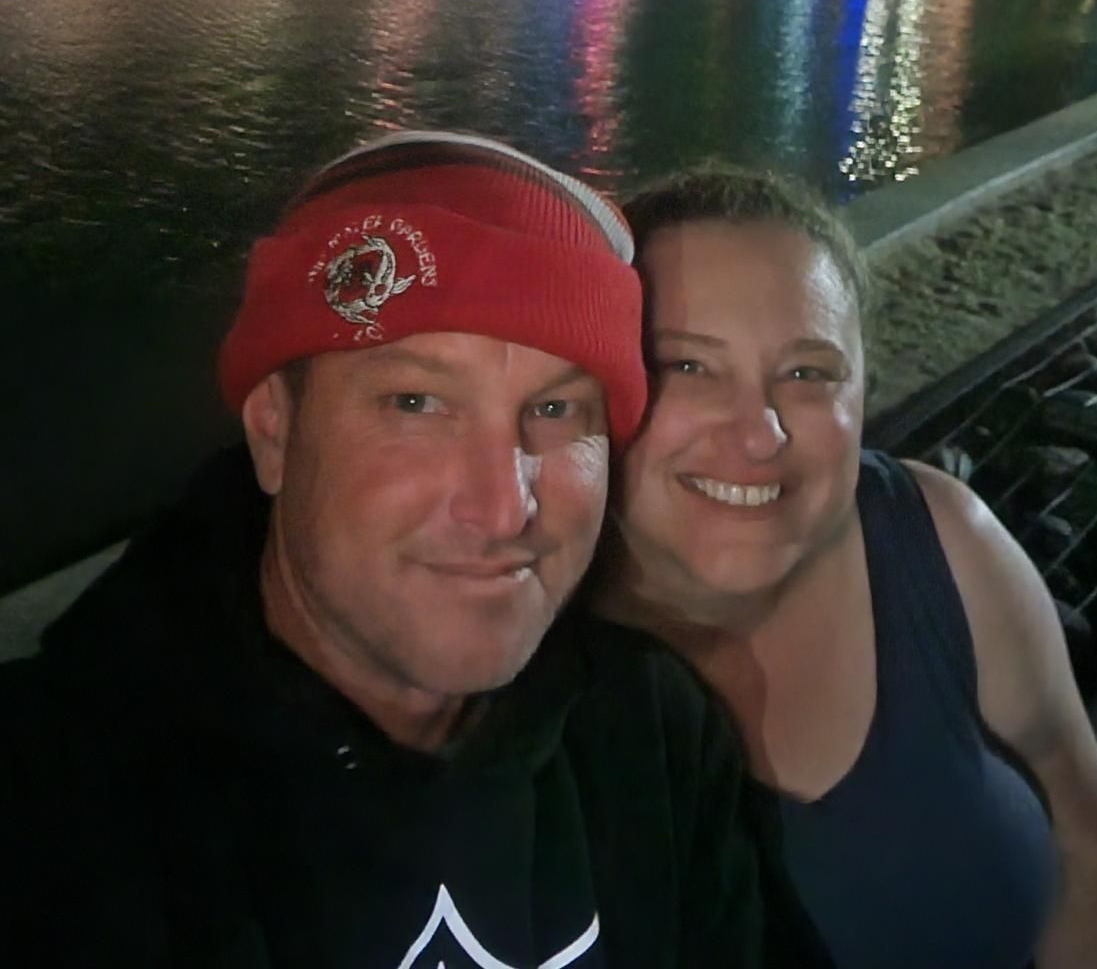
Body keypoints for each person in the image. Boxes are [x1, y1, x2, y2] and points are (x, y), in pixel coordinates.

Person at [0, 132, 825, 968]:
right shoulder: (49, 806)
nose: (505, 507)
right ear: (273, 433)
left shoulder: (650, 743)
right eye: (416, 402)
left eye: (556, 411)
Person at [593, 163, 1097, 969]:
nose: (760, 435)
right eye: (686, 365)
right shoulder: (507, 657)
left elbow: (1085, 833)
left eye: (807, 374)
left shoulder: (938, 545)